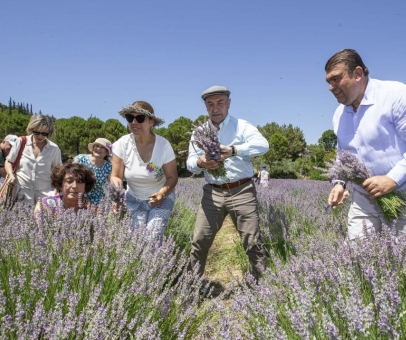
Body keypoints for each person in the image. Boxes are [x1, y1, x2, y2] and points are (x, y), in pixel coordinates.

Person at [324, 49, 406, 239]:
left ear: (358, 74)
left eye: (336, 79)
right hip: (364, 199)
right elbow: (344, 154)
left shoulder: (396, 96)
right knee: (355, 258)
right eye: (328, 81)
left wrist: (392, 179)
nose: (331, 86)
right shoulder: (339, 114)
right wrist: (340, 183)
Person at [186, 85, 270, 279]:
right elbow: (190, 163)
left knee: (252, 242)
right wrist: (201, 162)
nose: (215, 108)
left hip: (242, 190)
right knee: (199, 241)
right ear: (206, 107)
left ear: (229, 104)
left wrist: (233, 150)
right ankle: (190, 288)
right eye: (210, 104)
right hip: (213, 193)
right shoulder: (199, 132)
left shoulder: (242, 126)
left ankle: (261, 289)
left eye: (220, 103)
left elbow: (263, 145)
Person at [110, 101, 178, 235]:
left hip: (161, 198)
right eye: (130, 118)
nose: (134, 122)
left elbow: (172, 177)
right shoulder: (122, 144)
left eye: (140, 118)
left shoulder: (163, 145)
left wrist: (162, 193)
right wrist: (116, 196)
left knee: (152, 238)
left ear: (151, 122)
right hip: (133, 199)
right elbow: (116, 176)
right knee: (137, 241)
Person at [5, 115, 62, 206]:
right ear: (31, 129)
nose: (40, 136)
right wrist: (11, 174)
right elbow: (9, 161)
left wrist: (57, 188)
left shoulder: (54, 149)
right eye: (36, 132)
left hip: (45, 194)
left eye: (44, 134)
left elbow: (58, 171)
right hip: (22, 191)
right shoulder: (21, 141)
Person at [74, 138, 113, 205]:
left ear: (107, 152)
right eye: (97, 146)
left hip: (98, 201)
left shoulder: (109, 167)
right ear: (93, 148)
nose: (98, 149)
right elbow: (70, 177)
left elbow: (112, 185)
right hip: (78, 197)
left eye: (102, 147)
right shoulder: (80, 159)